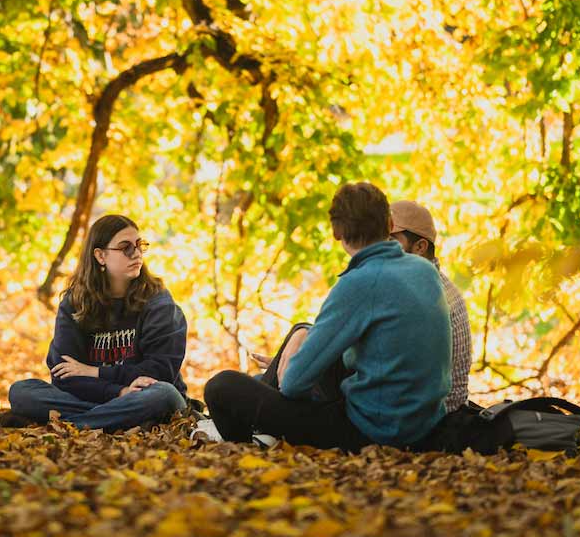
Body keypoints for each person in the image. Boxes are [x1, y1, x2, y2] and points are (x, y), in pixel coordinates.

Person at [202, 182, 451, 451]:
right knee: (306, 333)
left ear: (337, 233)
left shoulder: (357, 283)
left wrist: (293, 364)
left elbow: (294, 385)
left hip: (377, 431)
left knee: (221, 387)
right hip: (427, 423)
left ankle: (248, 447)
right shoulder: (424, 270)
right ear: (389, 223)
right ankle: (262, 431)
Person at [3, 214, 188, 431]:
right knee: (22, 391)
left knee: (162, 394)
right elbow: (63, 375)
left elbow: (159, 371)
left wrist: (94, 372)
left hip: (149, 397)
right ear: (100, 256)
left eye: (139, 245)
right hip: (114, 399)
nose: (136, 253)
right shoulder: (75, 303)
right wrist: (119, 393)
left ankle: (73, 425)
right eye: (126, 247)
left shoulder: (159, 303)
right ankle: (119, 418)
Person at [389, 200, 472, 412]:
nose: (381, 248)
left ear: (419, 247)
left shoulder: (421, 292)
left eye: (391, 240)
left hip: (426, 418)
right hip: (427, 409)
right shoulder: (432, 284)